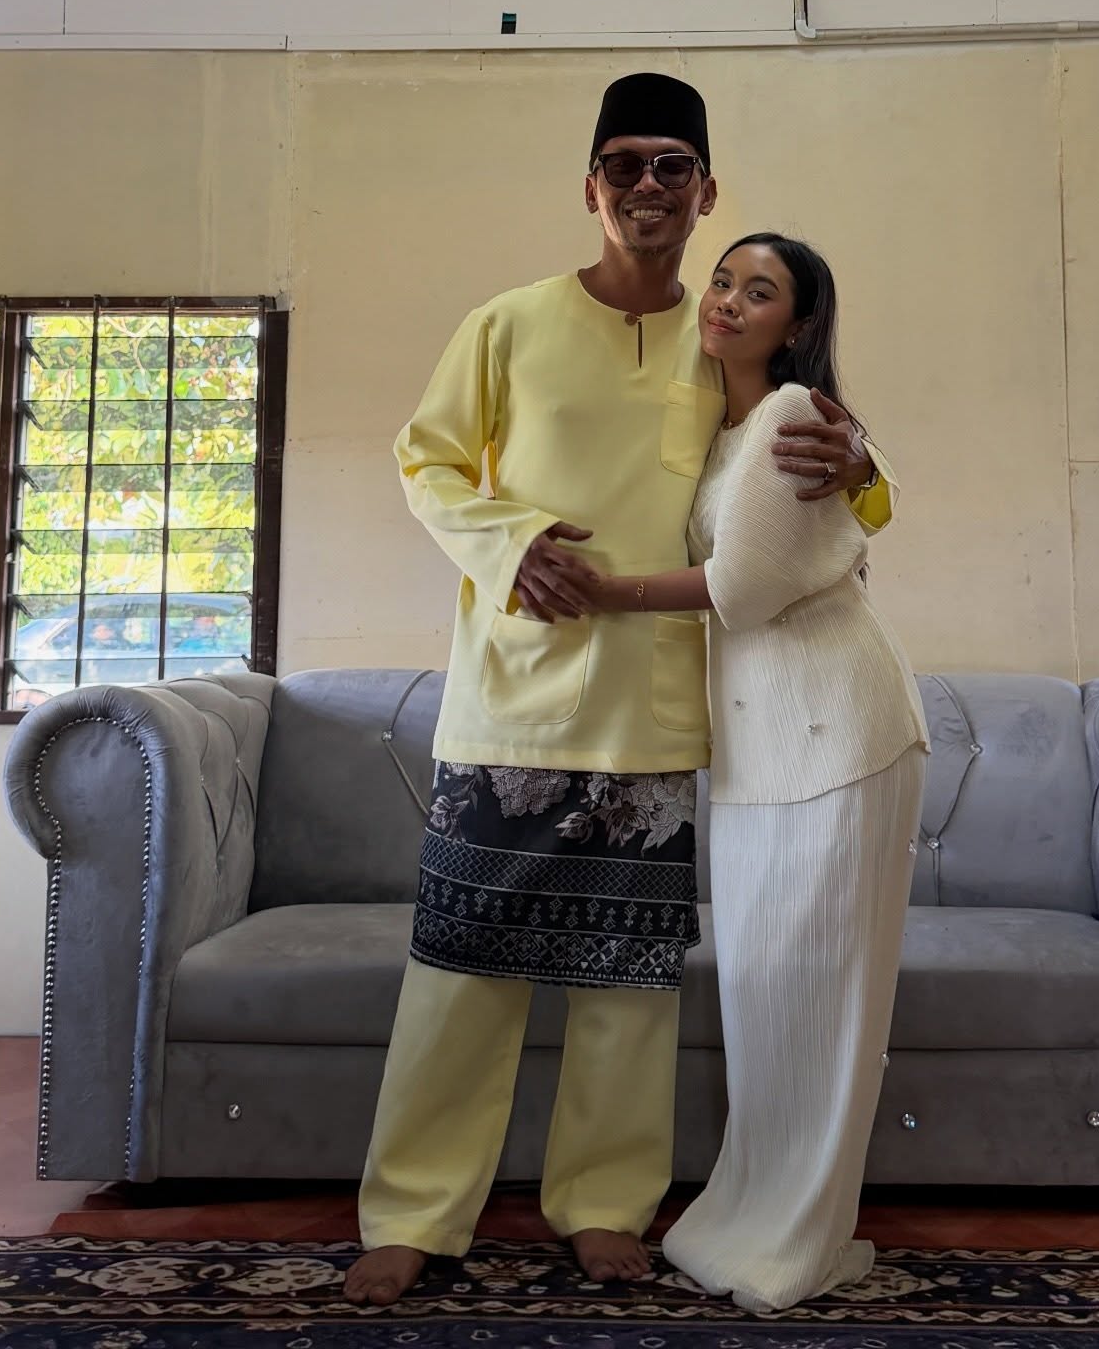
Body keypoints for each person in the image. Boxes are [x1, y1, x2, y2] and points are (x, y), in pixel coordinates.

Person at [345, 76, 895, 1309]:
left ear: (706, 193)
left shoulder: (725, 343)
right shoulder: (507, 324)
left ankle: (603, 1204)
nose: (649, 186)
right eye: (624, 164)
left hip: (657, 705)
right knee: (461, 967)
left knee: (626, 981)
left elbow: (848, 484)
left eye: (672, 166)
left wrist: (866, 469)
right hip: (511, 696)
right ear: (590, 188)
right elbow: (427, 461)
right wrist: (509, 544)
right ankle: (415, 1211)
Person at [578, 233, 929, 1315]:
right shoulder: (723, 425)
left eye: (759, 291)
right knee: (768, 999)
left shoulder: (788, 414)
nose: (727, 300)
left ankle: (797, 1241)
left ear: (798, 324)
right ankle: (748, 1221)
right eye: (724, 281)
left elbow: (743, 583)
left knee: (823, 1006)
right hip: (757, 743)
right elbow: (858, 502)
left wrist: (603, 591)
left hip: (840, 733)